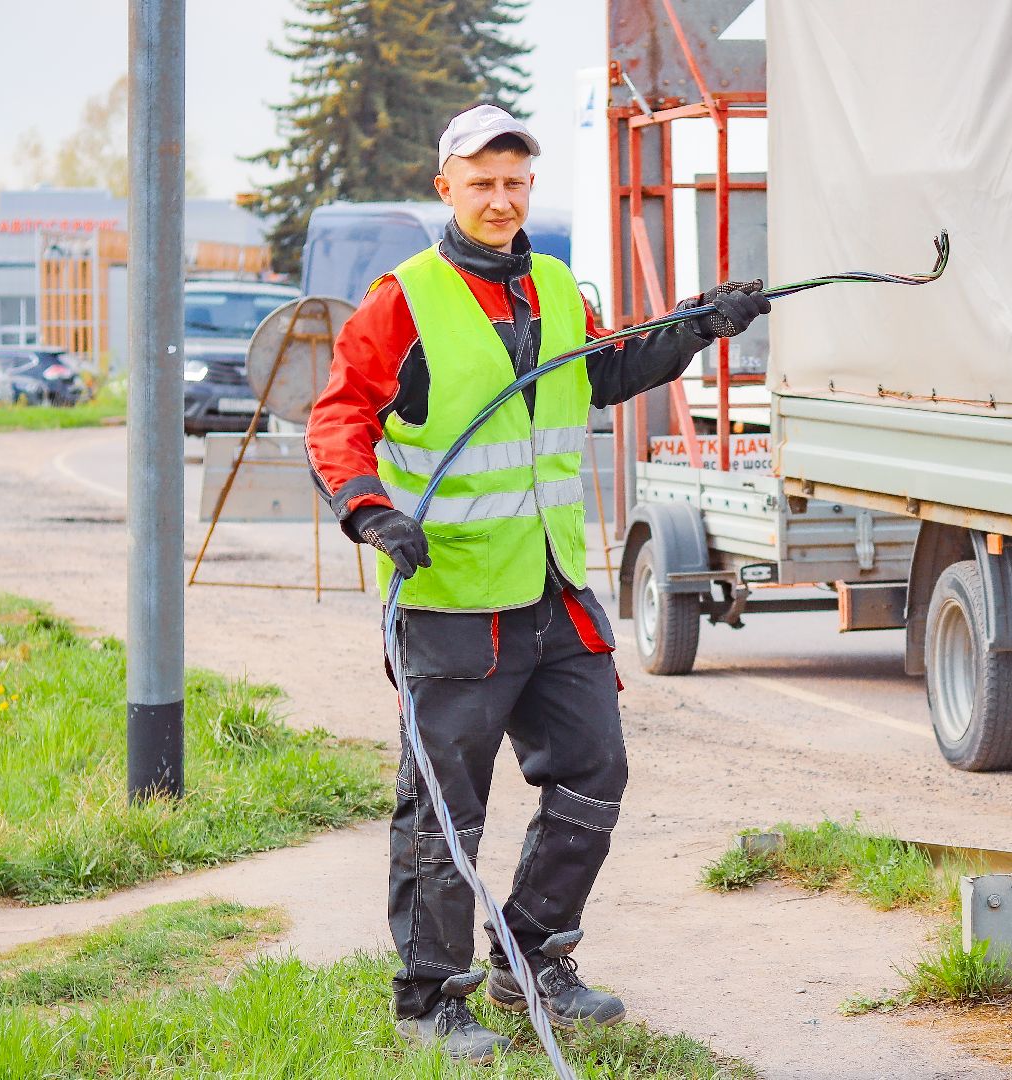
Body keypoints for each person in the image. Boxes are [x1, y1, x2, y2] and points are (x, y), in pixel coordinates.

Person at [305, 103, 769, 1064]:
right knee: (446, 808)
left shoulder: (556, 287)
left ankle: (531, 955)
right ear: (448, 189)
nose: (500, 199)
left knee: (597, 771)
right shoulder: (403, 301)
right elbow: (339, 416)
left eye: (515, 182)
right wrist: (367, 508)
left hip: (555, 592)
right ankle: (431, 998)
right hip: (453, 606)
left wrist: (694, 327)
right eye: (481, 183)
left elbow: (604, 371)